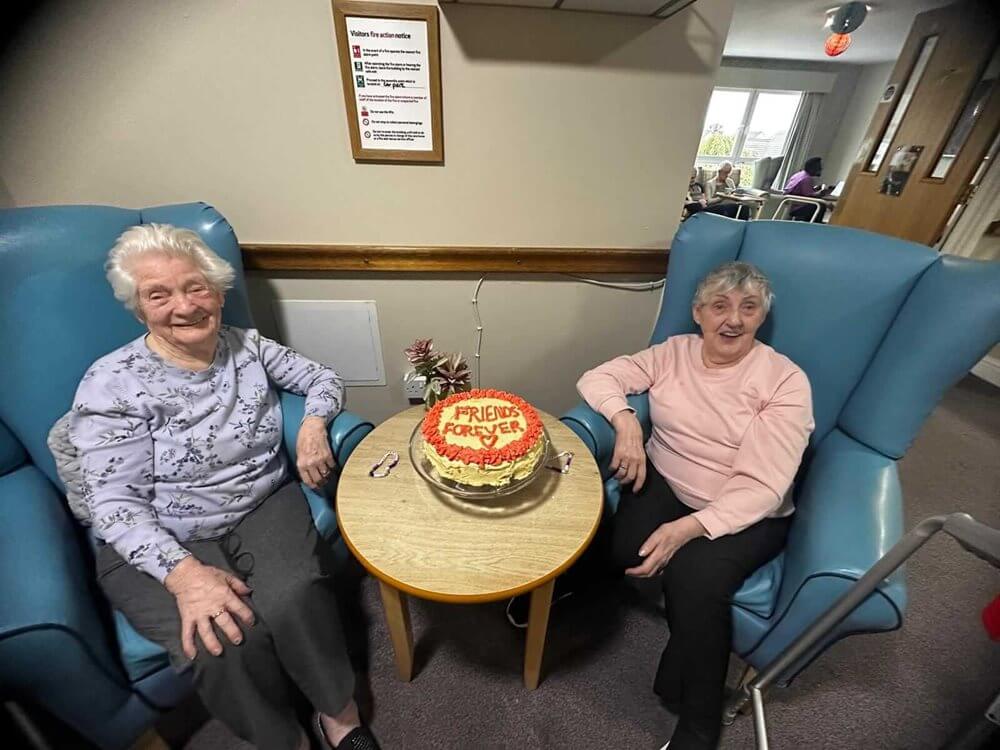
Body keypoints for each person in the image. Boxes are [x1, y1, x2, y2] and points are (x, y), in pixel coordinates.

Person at [61, 224, 381, 750]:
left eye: (195, 287)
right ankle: (282, 740)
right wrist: (183, 575)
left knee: (297, 597)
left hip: (261, 501)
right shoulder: (110, 382)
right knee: (222, 639)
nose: (183, 306)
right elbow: (114, 503)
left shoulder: (248, 347)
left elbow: (322, 378)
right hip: (158, 535)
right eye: (157, 294)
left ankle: (339, 714)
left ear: (219, 292)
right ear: (138, 308)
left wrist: (312, 424)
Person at [577, 262, 814, 750]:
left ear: (761, 317)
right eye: (719, 306)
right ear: (698, 313)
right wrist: (626, 423)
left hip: (746, 509)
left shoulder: (784, 381)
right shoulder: (674, 352)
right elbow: (598, 377)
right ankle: (575, 594)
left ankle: (700, 725)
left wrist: (688, 529)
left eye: (748, 308)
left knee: (693, 579)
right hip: (669, 477)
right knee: (622, 549)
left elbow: (765, 486)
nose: (733, 320)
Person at [782, 156, 833, 222]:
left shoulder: (800, 174)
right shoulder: (807, 179)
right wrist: (822, 192)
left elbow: (803, 192)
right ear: (813, 168)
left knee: (821, 203)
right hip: (797, 206)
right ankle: (815, 226)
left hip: (790, 203)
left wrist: (815, 189)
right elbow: (810, 196)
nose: (821, 169)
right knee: (821, 205)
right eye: (819, 168)